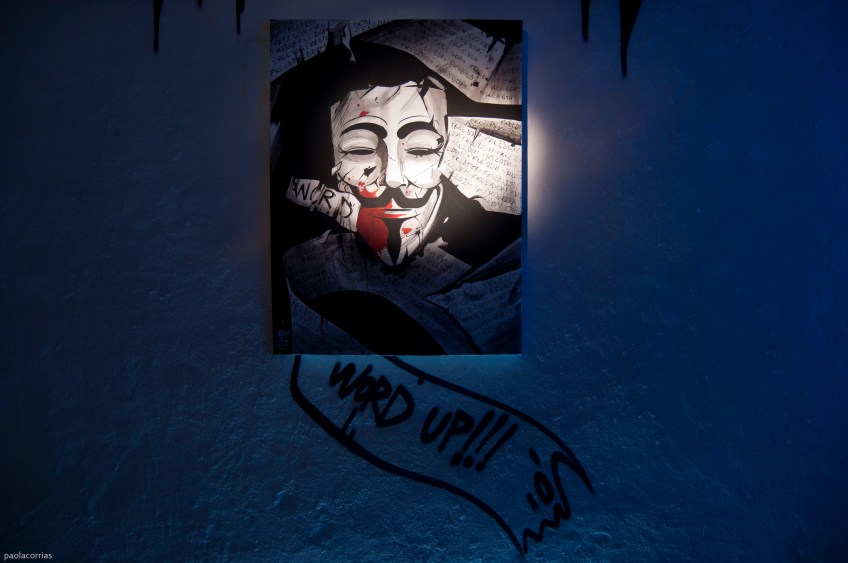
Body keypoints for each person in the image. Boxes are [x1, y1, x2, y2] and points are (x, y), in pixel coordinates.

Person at [271, 34, 521, 355]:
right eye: (360, 149)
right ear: (334, 160)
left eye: (420, 149)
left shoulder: (508, 257)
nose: (392, 177)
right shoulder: (300, 260)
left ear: (446, 152)